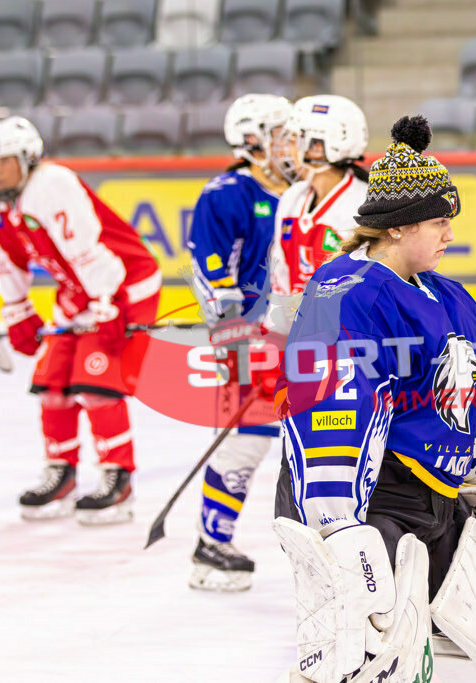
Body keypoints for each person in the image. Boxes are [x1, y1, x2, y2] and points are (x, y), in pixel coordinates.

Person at [271, 117, 476, 682]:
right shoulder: (344, 292)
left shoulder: (448, 292)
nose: (450, 234)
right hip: (369, 498)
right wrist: (338, 525)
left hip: (437, 497)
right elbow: (329, 408)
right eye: (438, 222)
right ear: (397, 228)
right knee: (368, 635)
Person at [0, 116, 161, 525]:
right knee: (52, 385)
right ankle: (60, 472)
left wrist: (109, 303)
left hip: (124, 282)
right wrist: (17, 309)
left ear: (28, 158)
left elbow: (87, 250)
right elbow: (5, 262)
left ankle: (118, 477)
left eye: (4, 163)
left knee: (96, 382)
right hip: (79, 292)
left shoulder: (51, 184)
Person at [185, 94, 294, 591]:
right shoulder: (226, 193)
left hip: (309, 335)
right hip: (254, 338)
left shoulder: (305, 191)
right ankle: (213, 544)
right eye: (280, 134)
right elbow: (211, 271)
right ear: (253, 141)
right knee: (247, 441)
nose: (291, 143)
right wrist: (232, 336)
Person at [267, 94, 370, 336]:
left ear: (318, 146)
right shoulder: (292, 198)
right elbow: (281, 275)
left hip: (347, 341)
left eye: (295, 140)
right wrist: (275, 334)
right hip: (297, 340)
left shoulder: (363, 203)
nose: (287, 149)